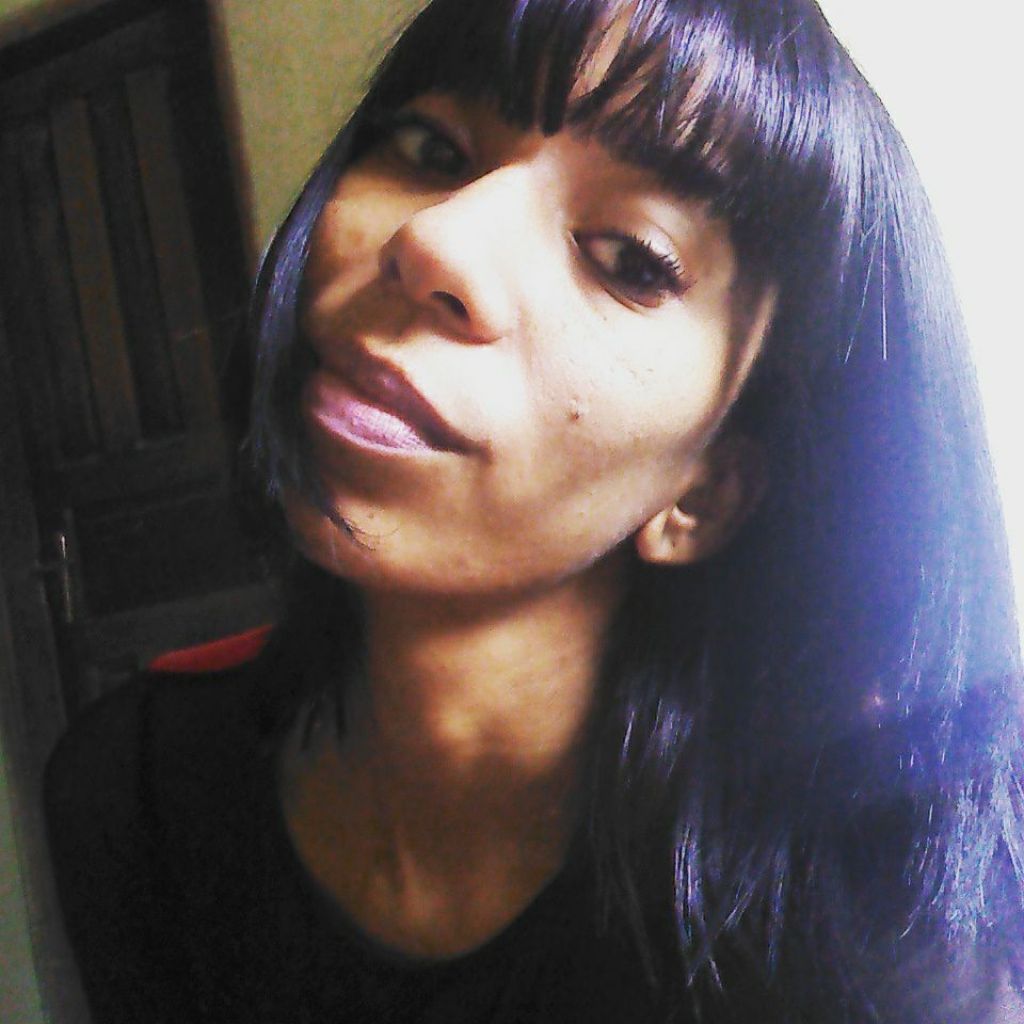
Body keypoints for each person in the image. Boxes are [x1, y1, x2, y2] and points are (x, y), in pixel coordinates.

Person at [45, 0, 1024, 1020]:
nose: (434, 239)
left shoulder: (883, 926)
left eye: (629, 256)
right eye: (431, 150)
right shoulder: (131, 794)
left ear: (706, 491)